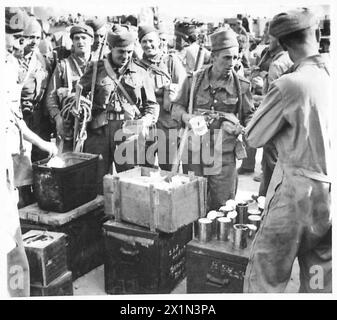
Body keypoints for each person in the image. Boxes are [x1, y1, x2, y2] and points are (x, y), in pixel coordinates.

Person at [244, 8, 331, 293]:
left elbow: (254, 136)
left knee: (267, 274)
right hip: (328, 197)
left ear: (282, 45)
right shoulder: (331, 76)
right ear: (317, 35)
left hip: (294, 194)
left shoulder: (290, 84)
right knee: (319, 275)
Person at [3, 8, 57, 298]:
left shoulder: (10, 64)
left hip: (9, 160)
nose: (15, 44)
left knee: (13, 244)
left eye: (19, 38)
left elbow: (14, 119)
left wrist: (43, 143)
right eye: (11, 37)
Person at [171, 29, 254, 210]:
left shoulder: (242, 86)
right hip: (194, 153)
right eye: (226, 58)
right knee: (192, 203)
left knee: (223, 205)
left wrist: (241, 127)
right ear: (214, 57)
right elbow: (175, 108)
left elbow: (249, 116)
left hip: (223, 155)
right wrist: (187, 117)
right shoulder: (193, 80)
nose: (232, 63)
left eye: (235, 57)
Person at [79, 26, 159, 187]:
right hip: (99, 133)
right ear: (110, 48)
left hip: (129, 133)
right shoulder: (95, 69)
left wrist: (145, 120)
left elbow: (152, 105)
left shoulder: (140, 71)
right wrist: (79, 106)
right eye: (121, 52)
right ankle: (100, 212)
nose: (125, 56)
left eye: (129, 52)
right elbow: (78, 94)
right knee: (96, 180)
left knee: (130, 181)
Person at [136, 25, 186, 170]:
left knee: (169, 171)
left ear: (159, 42)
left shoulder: (171, 62)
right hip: (147, 126)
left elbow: (184, 90)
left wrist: (173, 95)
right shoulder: (137, 66)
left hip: (168, 125)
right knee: (144, 169)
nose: (148, 45)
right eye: (144, 42)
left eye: (151, 41)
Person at [46, 24, 94, 152]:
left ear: (92, 41)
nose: (80, 42)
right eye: (76, 38)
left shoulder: (100, 65)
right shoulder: (63, 66)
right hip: (69, 126)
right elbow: (51, 97)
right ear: (72, 41)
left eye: (84, 38)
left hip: (95, 127)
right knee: (68, 165)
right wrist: (58, 119)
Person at [19, 16, 52, 162]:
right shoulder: (13, 60)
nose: (34, 41)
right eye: (30, 37)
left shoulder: (43, 60)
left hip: (39, 118)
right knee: (21, 160)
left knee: (40, 158)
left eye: (37, 37)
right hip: (20, 116)